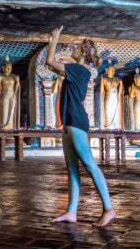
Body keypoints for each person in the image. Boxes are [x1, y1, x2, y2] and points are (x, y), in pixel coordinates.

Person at [46, 26, 115, 227]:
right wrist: (52, 43)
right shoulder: (75, 70)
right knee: (72, 168)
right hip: (70, 121)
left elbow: (50, 62)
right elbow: (51, 67)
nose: (73, 49)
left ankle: (109, 209)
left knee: (90, 165)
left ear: (83, 53)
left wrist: (56, 39)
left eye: (76, 47)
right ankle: (71, 211)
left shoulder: (78, 70)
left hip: (76, 121)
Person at [0, 56, 21, 130]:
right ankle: (3, 129)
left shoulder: (14, 77)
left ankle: (10, 129)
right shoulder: (1, 76)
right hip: (4, 96)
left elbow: (18, 89)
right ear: (3, 68)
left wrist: (17, 81)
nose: (8, 69)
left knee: (11, 113)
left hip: (12, 96)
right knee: (4, 113)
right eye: (7, 67)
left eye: (10, 67)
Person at [99, 66, 124, 130]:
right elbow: (101, 91)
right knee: (108, 111)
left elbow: (120, 92)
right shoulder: (104, 79)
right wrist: (101, 81)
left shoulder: (117, 79)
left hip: (115, 98)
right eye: (111, 69)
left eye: (114, 70)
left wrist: (121, 84)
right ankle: (108, 126)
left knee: (115, 111)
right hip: (108, 98)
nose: (113, 71)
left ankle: (115, 126)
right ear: (106, 70)